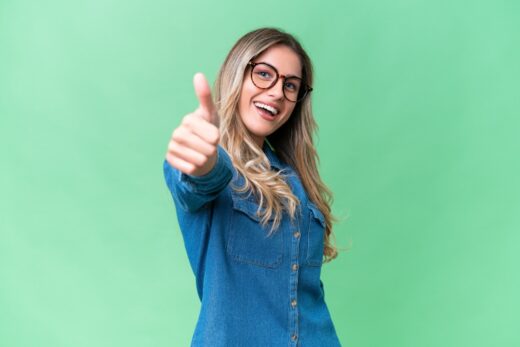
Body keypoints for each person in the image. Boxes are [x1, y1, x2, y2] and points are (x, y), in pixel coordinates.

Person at [163, 27, 341, 346]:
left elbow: (307, 296)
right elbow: (197, 180)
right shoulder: (212, 161)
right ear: (237, 75)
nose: (276, 92)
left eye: (290, 86)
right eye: (263, 74)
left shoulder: (296, 181)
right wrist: (200, 161)